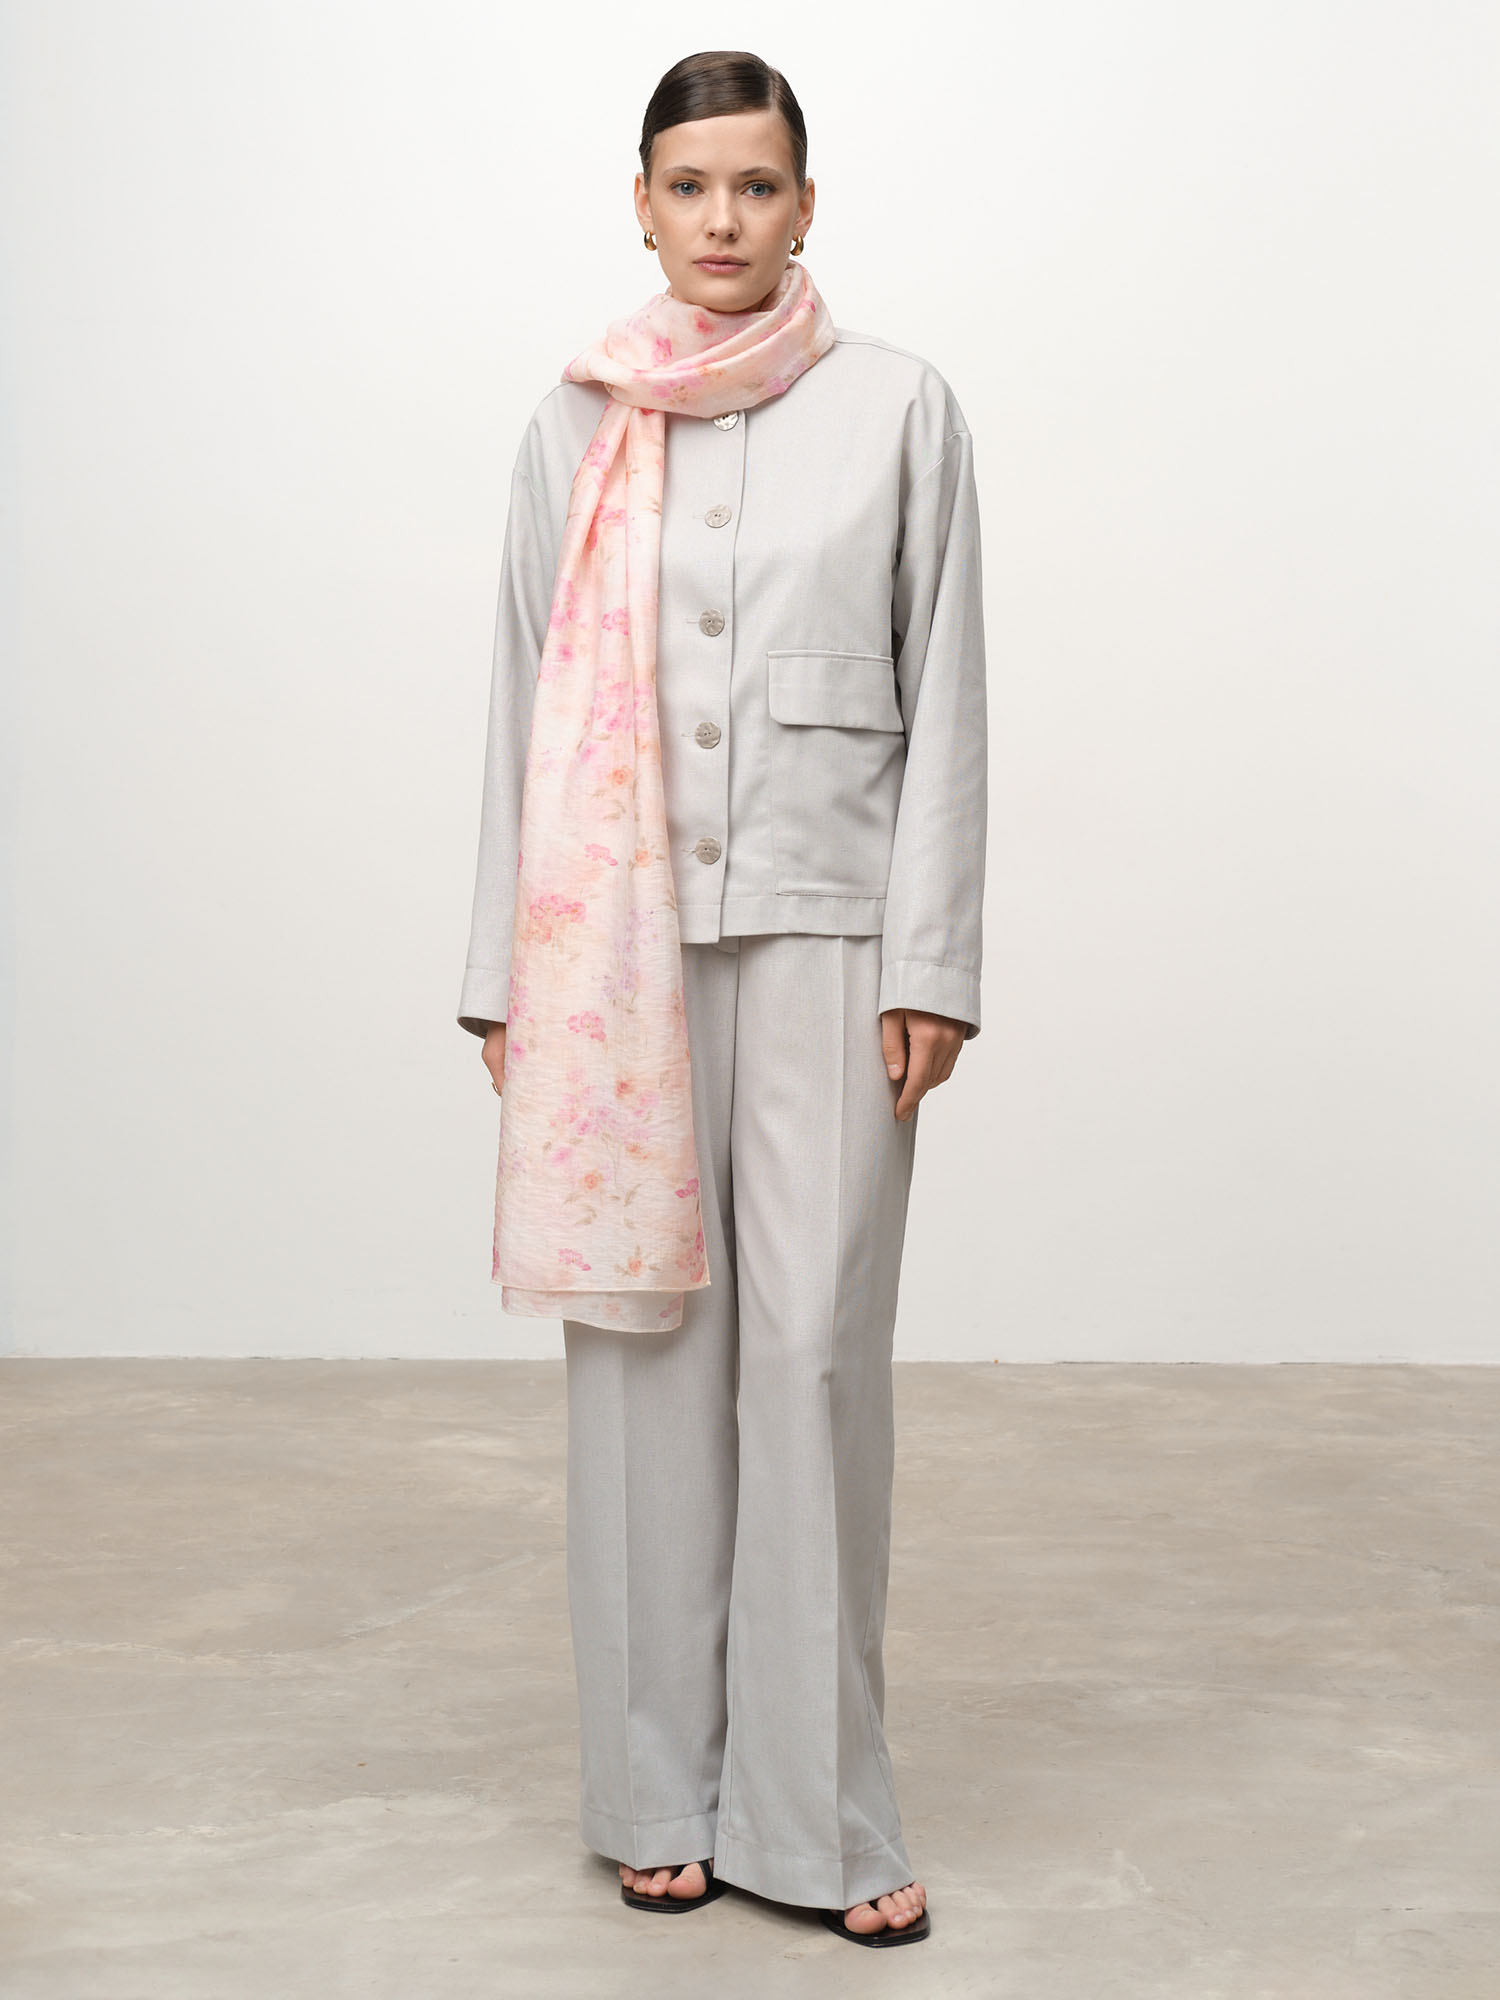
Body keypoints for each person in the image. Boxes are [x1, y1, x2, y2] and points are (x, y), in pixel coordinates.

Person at [457, 48, 986, 1949]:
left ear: (806, 205)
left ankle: (816, 1811)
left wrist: (935, 959)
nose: (723, 221)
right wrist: (500, 972)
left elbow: (951, 692)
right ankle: (654, 1791)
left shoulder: (901, 407)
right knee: (645, 1360)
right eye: (689, 187)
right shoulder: (575, 421)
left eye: (757, 187)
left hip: (835, 933)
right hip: (613, 946)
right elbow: (523, 697)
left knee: (815, 1357)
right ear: (643, 203)